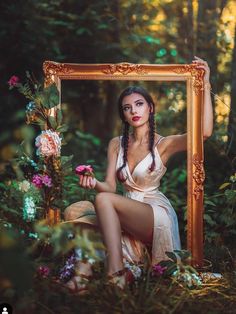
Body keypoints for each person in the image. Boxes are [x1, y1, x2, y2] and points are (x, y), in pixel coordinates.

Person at [64, 56, 213, 291]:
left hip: (154, 214)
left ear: (150, 108)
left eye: (139, 104)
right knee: (78, 211)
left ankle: (115, 274)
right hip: (123, 207)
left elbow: (203, 133)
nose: (134, 110)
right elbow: (110, 188)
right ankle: (80, 279)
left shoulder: (164, 144)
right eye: (127, 107)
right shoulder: (116, 143)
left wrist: (205, 83)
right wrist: (94, 183)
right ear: (123, 115)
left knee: (102, 200)